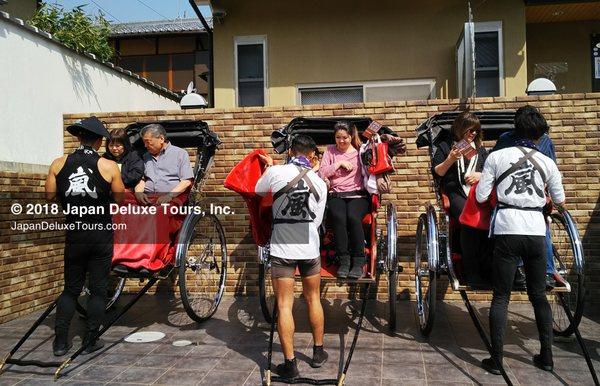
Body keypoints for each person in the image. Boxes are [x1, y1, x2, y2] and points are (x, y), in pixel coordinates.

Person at [476, 105, 565, 375]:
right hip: (537, 231)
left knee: (501, 296)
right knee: (538, 295)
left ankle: (496, 360)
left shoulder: (497, 156)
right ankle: (547, 357)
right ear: (538, 135)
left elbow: (481, 196)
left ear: (515, 128)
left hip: (507, 228)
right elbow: (560, 200)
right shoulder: (547, 162)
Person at [45, 116, 124, 356]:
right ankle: (90, 340)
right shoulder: (109, 166)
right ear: (99, 141)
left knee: (71, 289)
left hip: (75, 234)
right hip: (100, 235)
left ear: (79, 137)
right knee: (98, 289)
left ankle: (60, 342)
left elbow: (49, 196)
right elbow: (119, 199)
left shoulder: (58, 163)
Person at [256, 135, 328, 380]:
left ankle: (290, 364)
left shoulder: (275, 172)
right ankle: (318, 353)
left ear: (290, 151)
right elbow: (317, 221)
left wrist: (268, 169)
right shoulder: (320, 182)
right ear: (311, 156)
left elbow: (257, 190)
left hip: (283, 248)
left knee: (284, 305)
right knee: (313, 298)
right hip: (309, 247)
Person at [492, 121, 558, 287]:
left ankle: (547, 271)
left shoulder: (545, 141)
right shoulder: (505, 139)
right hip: (512, 192)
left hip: (531, 195)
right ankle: (525, 271)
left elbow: (550, 173)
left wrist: (547, 194)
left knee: (542, 224)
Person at [431, 112, 490, 286]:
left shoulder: (480, 150)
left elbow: (489, 172)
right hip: (455, 191)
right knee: (468, 220)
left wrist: (480, 175)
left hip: (477, 192)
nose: (472, 134)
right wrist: (450, 158)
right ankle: (470, 272)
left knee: (493, 218)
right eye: (469, 130)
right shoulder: (445, 146)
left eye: (475, 131)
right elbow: (438, 172)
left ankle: (490, 269)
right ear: (459, 128)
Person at [319, 122, 369, 279]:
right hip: (336, 194)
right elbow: (322, 172)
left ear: (351, 136)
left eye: (345, 137)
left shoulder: (360, 152)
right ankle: (344, 260)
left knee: (353, 218)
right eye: (338, 137)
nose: (341, 141)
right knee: (339, 218)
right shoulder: (330, 151)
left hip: (358, 195)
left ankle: (359, 260)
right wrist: (338, 163)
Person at [134, 123, 194, 205]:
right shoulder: (145, 156)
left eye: (148, 142)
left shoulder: (180, 154)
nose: (145, 146)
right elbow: (142, 179)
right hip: (147, 199)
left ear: (161, 139)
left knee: (158, 215)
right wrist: (138, 192)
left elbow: (186, 181)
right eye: (144, 142)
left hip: (172, 198)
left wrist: (169, 196)